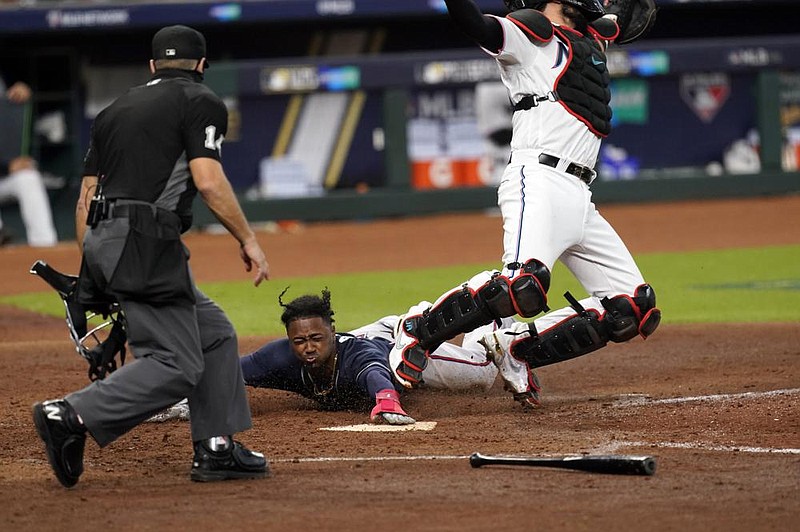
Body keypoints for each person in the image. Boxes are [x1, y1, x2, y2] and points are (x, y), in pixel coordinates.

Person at [389, 1, 661, 409]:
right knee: (521, 287)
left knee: (632, 308)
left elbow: (625, 17)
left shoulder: (593, 36)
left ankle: (515, 349)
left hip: (580, 195)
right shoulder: (530, 34)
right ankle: (417, 331)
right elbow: (474, 24)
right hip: (538, 179)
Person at [31, 25, 270, 488]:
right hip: (146, 239)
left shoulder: (113, 111)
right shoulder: (201, 100)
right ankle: (70, 413)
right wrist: (249, 239)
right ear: (202, 65)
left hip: (105, 238)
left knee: (215, 334)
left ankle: (217, 447)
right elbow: (208, 180)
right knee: (176, 362)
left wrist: (95, 272)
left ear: (152, 65)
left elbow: (85, 199)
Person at [239, 288, 512, 425]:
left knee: (483, 372)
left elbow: (374, 372)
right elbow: (230, 370)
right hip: (370, 339)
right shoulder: (279, 358)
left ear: (332, 332)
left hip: (398, 348)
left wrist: (386, 401)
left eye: (315, 338)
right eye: (299, 341)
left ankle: (497, 304)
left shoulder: (356, 357)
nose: (308, 347)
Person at [0, 76, 58, 247]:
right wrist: (7, 166)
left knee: (28, 177)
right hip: (4, 169)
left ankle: (45, 247)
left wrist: (18, 97)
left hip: (4, 176)